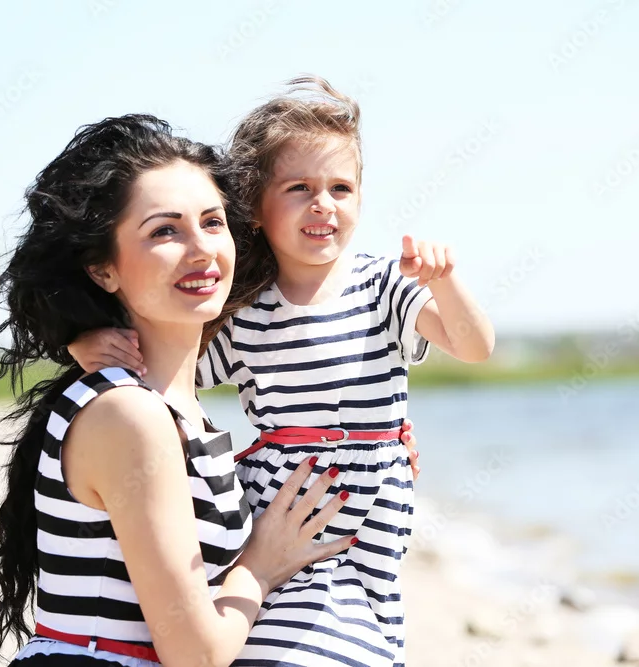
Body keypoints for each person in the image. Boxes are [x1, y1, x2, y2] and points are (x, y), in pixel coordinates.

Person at [67, 76, 494, 666]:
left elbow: (474, 347)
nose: (324, 204)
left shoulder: (381, 285)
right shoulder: (243, 311)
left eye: (341, 188)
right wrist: (85, 342)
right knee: (291, 631)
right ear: (255, 211)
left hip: (376, 495)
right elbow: (167, 375)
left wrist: (446, 282)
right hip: (282, 497)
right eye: (299, 188)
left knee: (373, 622)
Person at [0, 115, 383, 667]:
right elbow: (195, 654)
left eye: (213, 222)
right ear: (103, 269)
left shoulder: (172, 411)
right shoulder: (127, 413)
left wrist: (378, 445)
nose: (202, 249)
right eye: (165, 231)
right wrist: (259, 565)